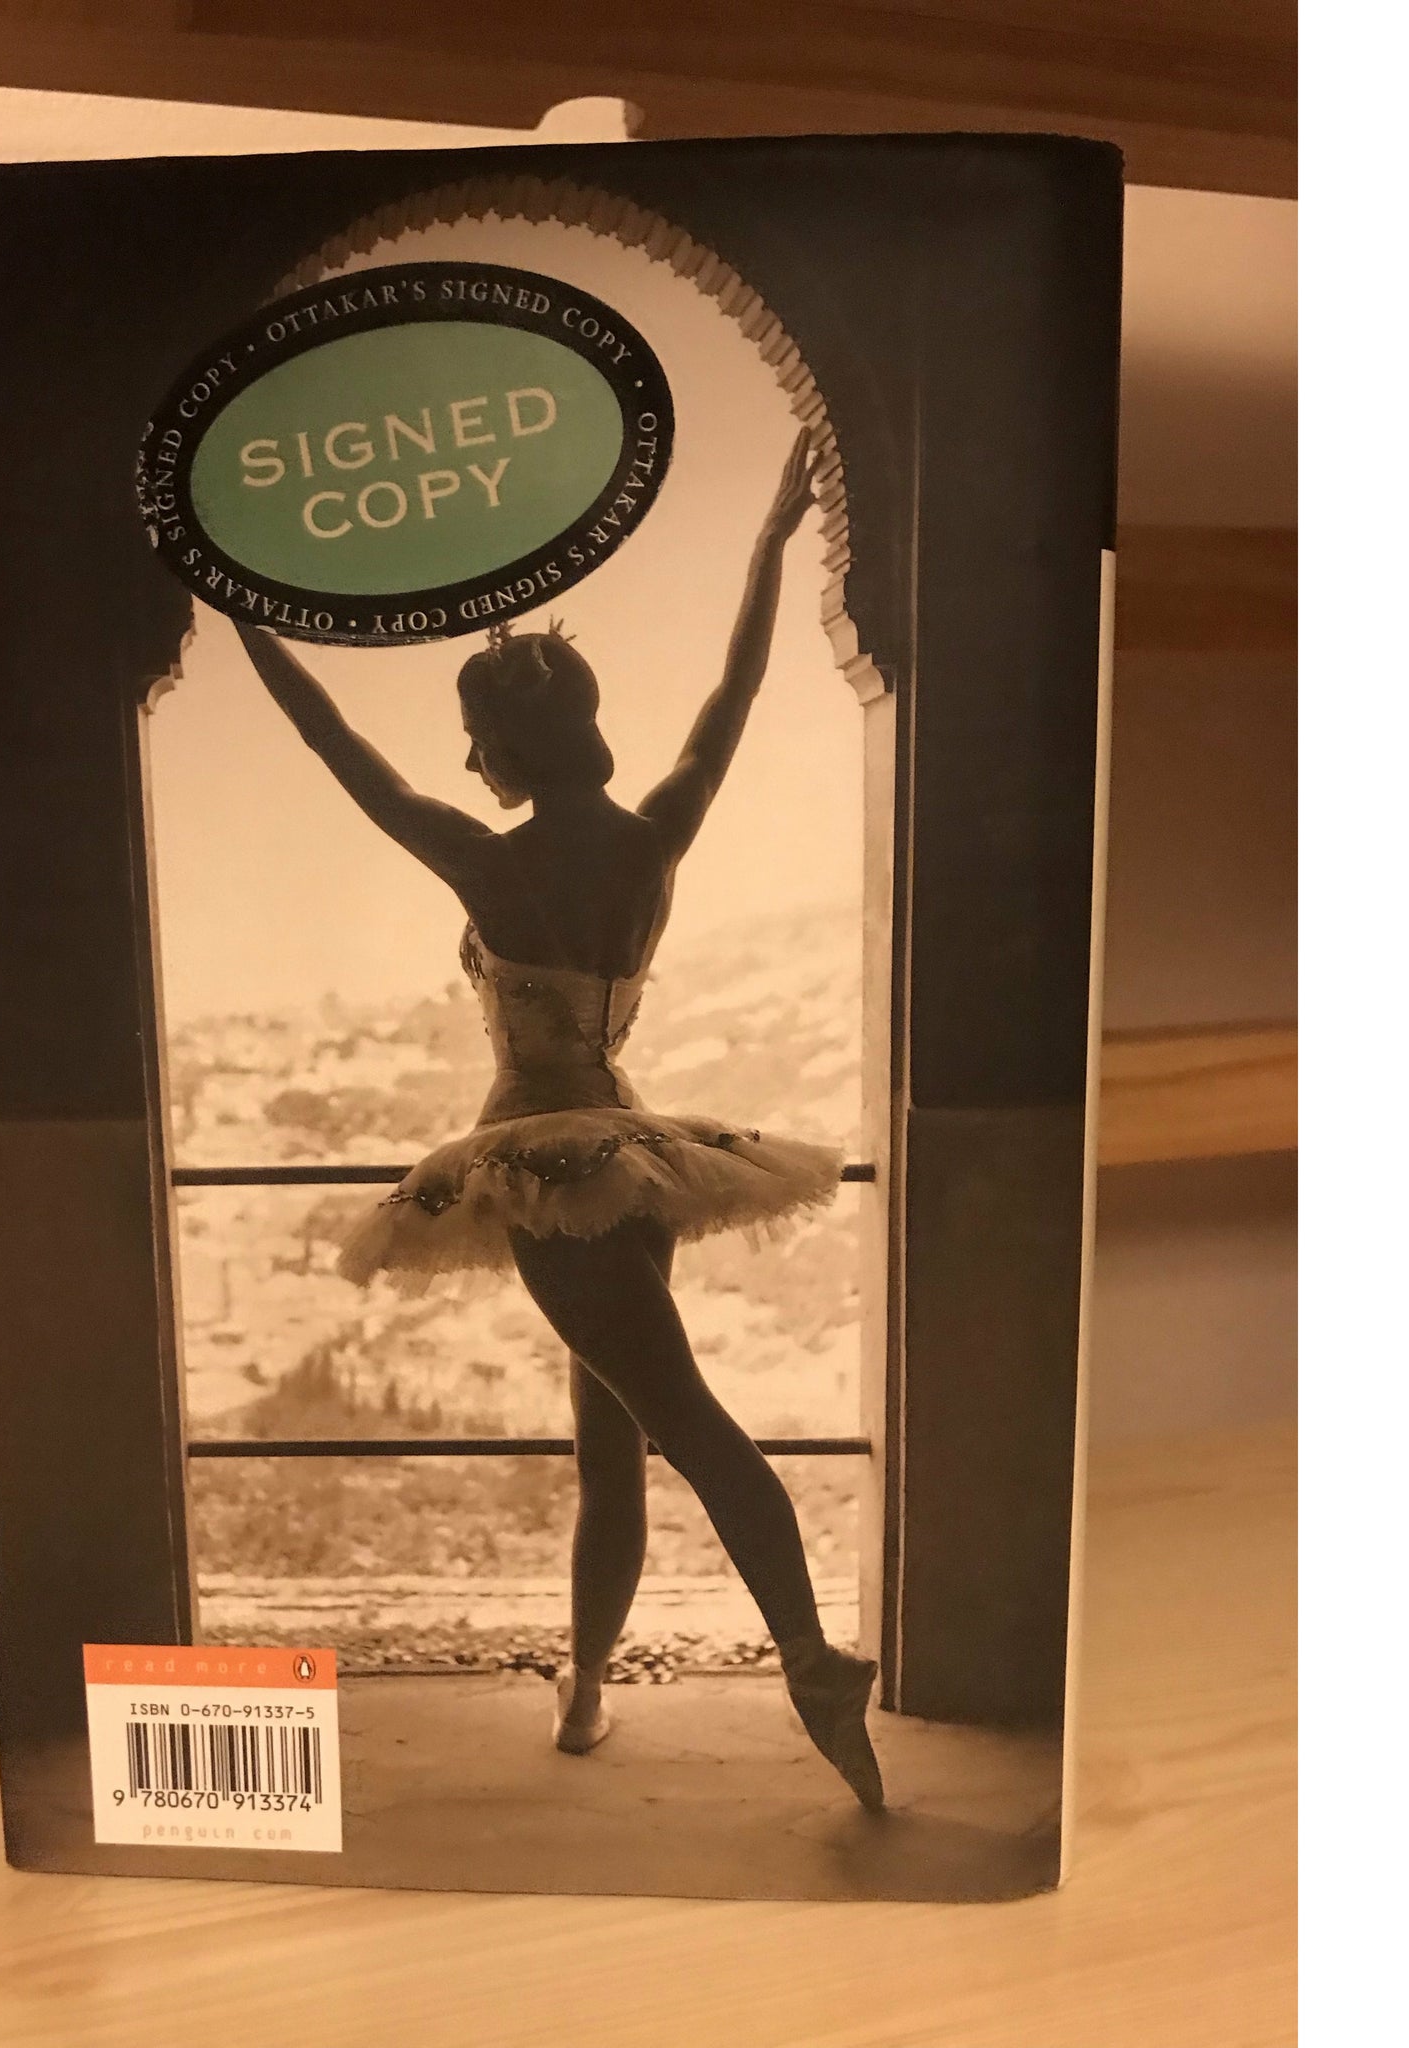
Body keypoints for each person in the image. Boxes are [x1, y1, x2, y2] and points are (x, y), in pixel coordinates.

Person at [231, 427, 883, 1810]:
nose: (468, 764)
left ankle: (810, 1656)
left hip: (541, 1163)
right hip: (637, 1153)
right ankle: (586, 1691)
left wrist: (240, 613)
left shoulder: (489, 863)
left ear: (512, 745)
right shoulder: (654, 838)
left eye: (477, 743)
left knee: (684, 1422)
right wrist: (766, 548)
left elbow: (337, 748)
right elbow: (730, 699)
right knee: (615, 1442)